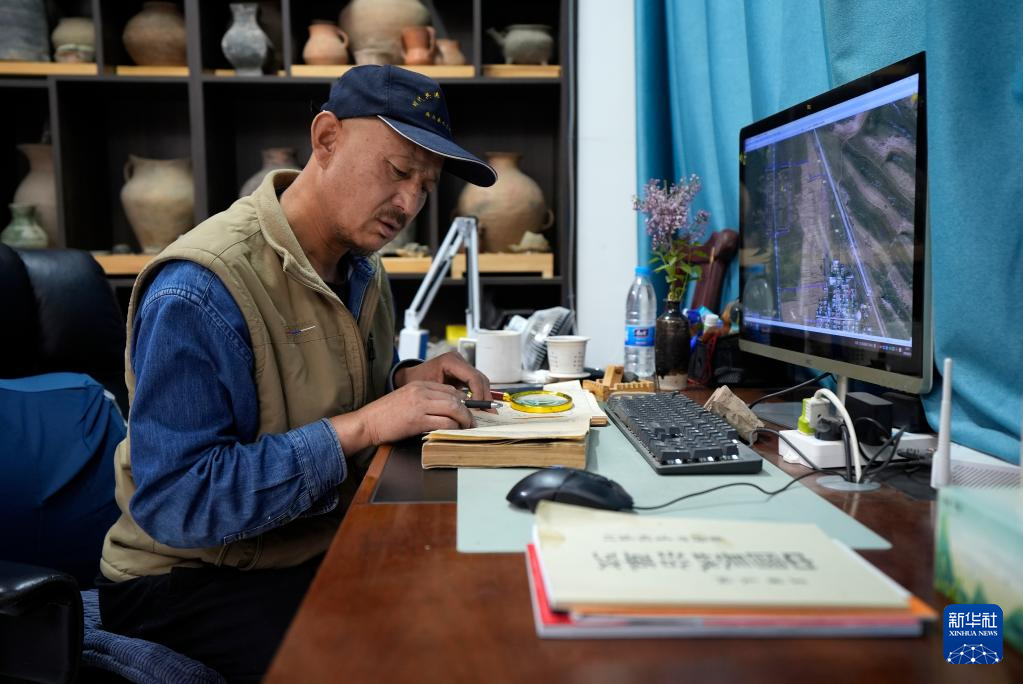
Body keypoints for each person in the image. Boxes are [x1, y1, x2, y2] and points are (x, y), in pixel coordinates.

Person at [96, 65, 498, 682]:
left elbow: (323, 393)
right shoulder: (199, 289)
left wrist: (400, 382)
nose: (411, 204)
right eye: (398, 171)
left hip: (307, 548)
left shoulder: (362, 269)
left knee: (473, 593)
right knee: (409, 655)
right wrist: (365, 425)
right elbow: (178, 502)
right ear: (327, 138)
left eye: (426, 184)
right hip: (184, 581)